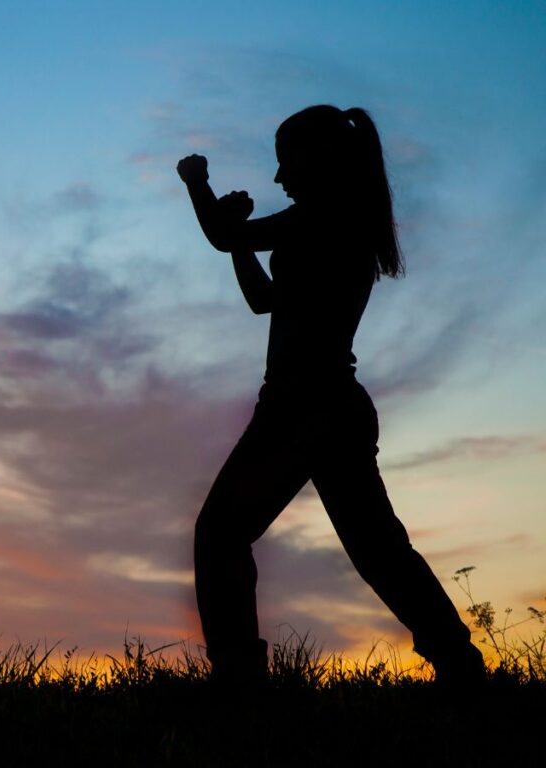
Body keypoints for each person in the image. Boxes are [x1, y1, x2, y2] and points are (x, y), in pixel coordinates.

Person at [176, 104, 485, 687]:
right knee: (378, 550)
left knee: (221, 533)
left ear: (318, 161)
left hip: (303, 407)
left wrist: (198, 182)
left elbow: (220, 237)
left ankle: (239, 681)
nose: (278, 179)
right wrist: (242, 240)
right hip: (331, 407)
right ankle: (460, 665)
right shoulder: (333, 224)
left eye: (285, 163)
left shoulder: (322, 221)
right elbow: (264, 300)